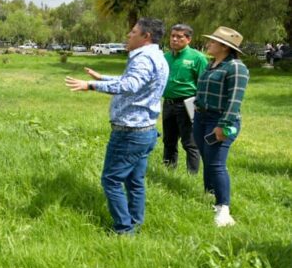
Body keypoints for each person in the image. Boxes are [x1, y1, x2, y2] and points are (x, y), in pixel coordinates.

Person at [65, 18, 169, 235]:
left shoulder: (143, 58)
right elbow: (134, 80)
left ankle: (124, 230)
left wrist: (91, 85)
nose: (128, 35)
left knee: (111, 180)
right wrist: (102, 76)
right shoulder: (156, 56)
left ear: (145, 36)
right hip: (145, 130)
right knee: (135, 181)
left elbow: (130, 85)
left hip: (130, 133)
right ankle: (136, 223)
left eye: (133, 32)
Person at [193, 26, 249, 227]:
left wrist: (223, 125)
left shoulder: (236, 67)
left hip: (220, 120)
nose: (209, 44)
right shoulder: (211, 65)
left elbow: (235, 100)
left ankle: (223, 210)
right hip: (201, 119)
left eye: (213, 42)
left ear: (225, 47)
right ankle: (210, 195)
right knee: (207, 158)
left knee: (216, 163)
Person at [162, 24, 207, 174]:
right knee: (168, 141)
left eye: (179, 36)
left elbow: (204, 84)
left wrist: (199, 106)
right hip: (168, 103)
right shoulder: (165, 57)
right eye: (172, 36)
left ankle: (191, 175)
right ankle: (168, 171)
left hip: (187, 104)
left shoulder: (197, 57)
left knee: (189, 142)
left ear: (188, 39)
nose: (174, 39)